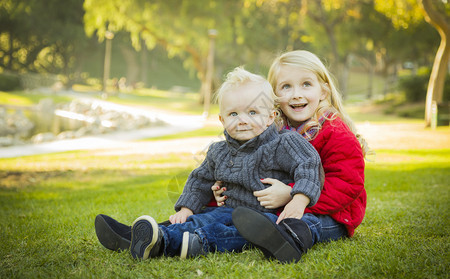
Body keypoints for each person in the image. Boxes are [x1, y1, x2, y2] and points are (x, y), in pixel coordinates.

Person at [95, 67, 323, 261]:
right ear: (222, 120)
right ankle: (150, 236)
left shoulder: (284, 143)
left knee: (229, 232)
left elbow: (309, 164)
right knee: (199, 220)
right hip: (228, 210)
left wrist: (299, 199)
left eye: (252, 112)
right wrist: (186, 208)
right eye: (233, 114)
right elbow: (199, 180)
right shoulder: (218, 151)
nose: (242, 120)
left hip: (267, 218)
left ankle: (167, 242)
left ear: (270, 117)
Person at [222, 50, 368, 263]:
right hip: (284, 208)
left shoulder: (335, 132)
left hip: (334, 214)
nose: (296, 94)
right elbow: (247, 170)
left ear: (324, 91)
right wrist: (221, 192)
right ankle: (186, 229)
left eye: (306, 84)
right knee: (244, 217)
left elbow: (347, 182)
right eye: (286, 86)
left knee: (309, 223)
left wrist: (294, 195)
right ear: (274, 97)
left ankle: (288, 241)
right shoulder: (273, 133)